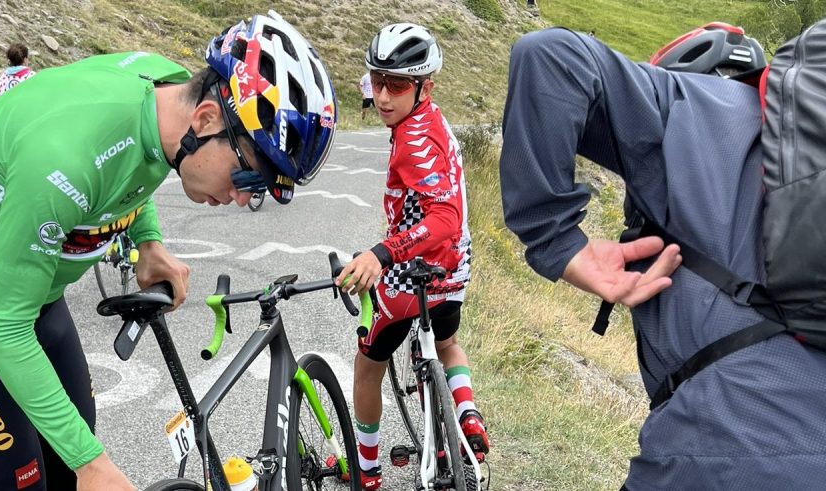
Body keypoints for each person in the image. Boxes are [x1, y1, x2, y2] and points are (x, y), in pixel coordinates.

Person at [0, 11, 337, 490]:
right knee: (43, 475)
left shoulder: (166, 92)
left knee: (74, 456)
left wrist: (147, 241)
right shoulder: (63, 164)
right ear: (207, 118)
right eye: (249, 175)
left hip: (39, 298)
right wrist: (92, 464)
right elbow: (4, 326)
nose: (241, 197)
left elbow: (139, 162)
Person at [498, 26, 826, 489]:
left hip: (718, 451)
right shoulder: (808, 152)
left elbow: (551, 56)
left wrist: (557, 242)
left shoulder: (688, 106)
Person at [335, 23, 489, 490]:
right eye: (375, 80)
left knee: (367, 368)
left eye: (397, 85)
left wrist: (383, 253)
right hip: (454, 268)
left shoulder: (411, 143)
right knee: (445, 344)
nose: (383, 95)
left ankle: (367, 473)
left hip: (411, 275)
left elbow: (445, 215)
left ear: (426, 86)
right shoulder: (434, 120)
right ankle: (466, 416)